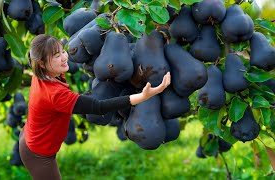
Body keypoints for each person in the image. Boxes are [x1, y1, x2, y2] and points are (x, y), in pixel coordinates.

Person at [19, 34, 171, 180]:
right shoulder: (55, 94)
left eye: (63, 51)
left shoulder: (42, 75)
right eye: (57, 56)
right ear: (41, 63)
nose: (65, 57)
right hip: (38, 153)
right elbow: (99, 107)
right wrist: (144, 96)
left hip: (30, 136)